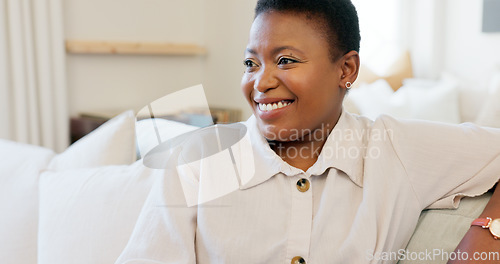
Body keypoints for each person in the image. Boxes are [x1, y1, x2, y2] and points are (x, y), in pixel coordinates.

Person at [116, 0, 500, 263]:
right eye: (251, 63)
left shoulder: (395, 149)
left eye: (285, 60)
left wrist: (485, 236)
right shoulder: (198, 159)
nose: (260, 82)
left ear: (346, 70)